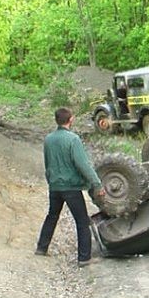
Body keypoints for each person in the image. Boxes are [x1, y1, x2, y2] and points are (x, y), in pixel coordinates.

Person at [35, 107, 104, 267]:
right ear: (71, 119)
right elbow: (82, 164)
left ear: (56, 120)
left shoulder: (48, 139)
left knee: (52, 216)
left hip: (55, 186)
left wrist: (51, 180)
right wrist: (96, 183)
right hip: (71, 188)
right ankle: (84, 258)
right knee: (81, 221)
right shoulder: (73, 139)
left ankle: (41, 248)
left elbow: (47, 163)